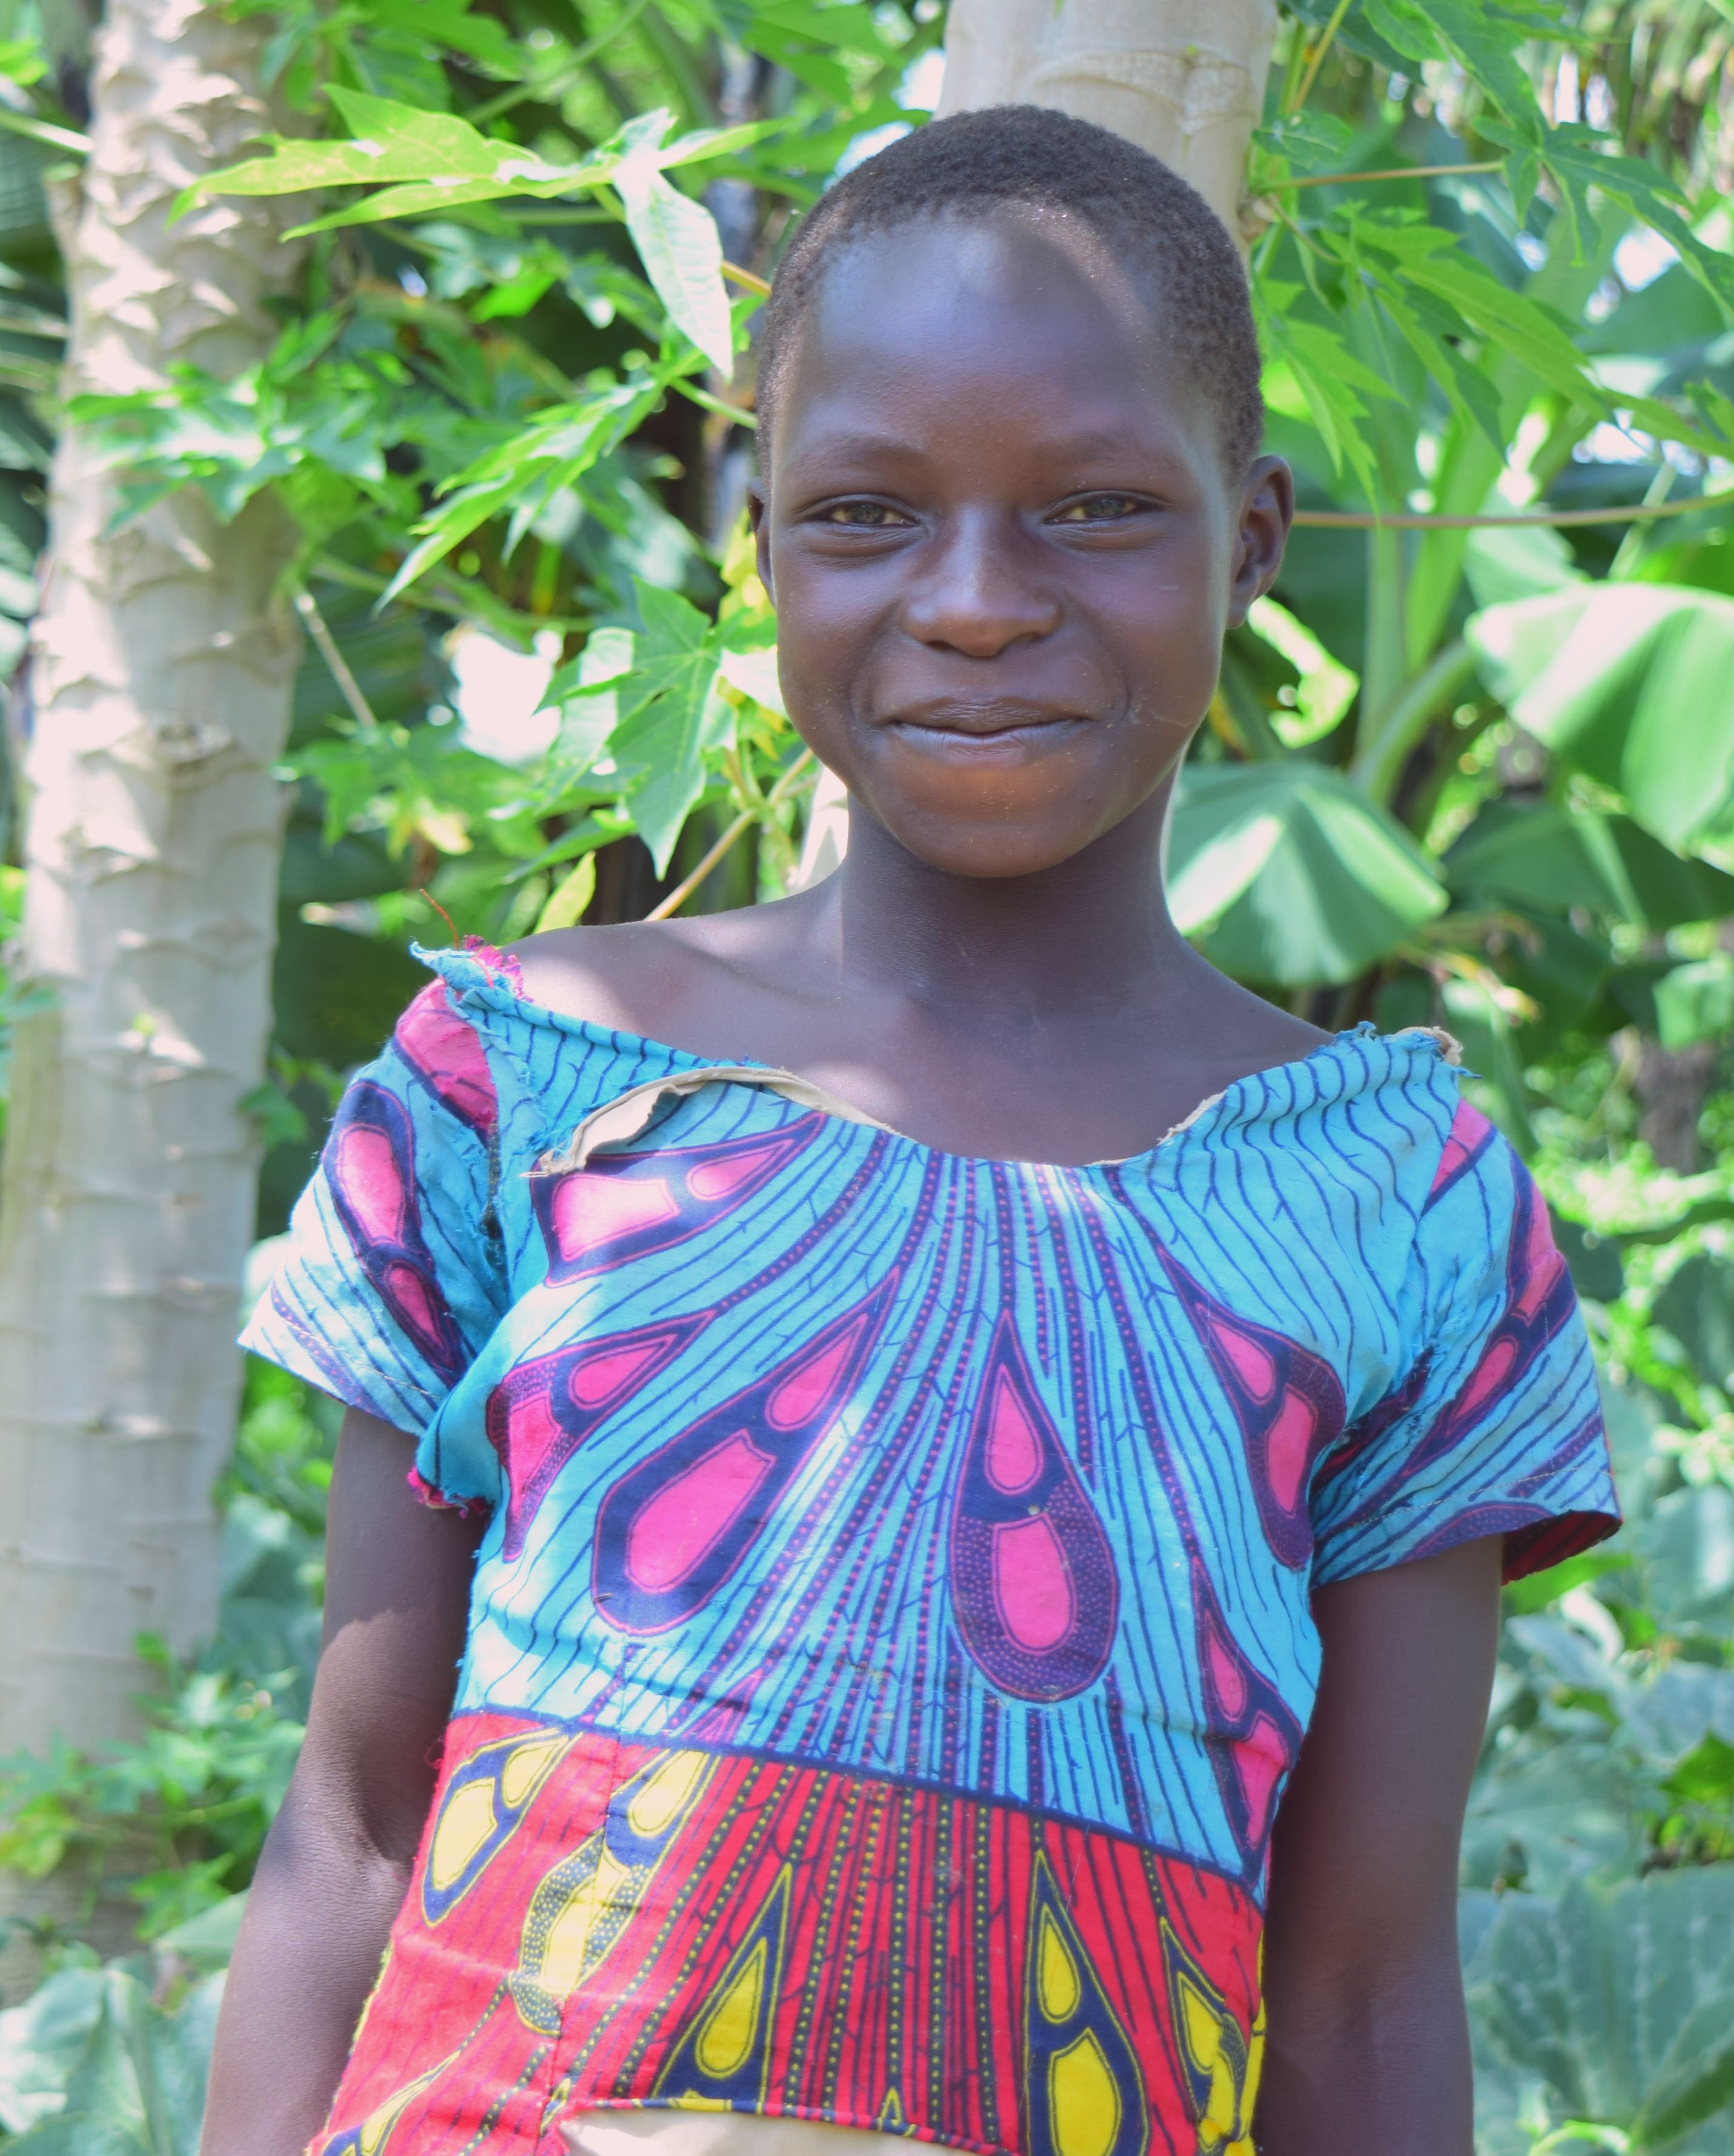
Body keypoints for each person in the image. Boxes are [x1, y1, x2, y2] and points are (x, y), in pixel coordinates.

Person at [203, 102, 1618, 2156]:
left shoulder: (1400, 1209)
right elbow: (349, 1833)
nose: (970, 601)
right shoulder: (514, 1081)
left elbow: (1361, 1987)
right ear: (759, 538)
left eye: (1094, 509)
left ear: (1253, 536)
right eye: (867, 516)